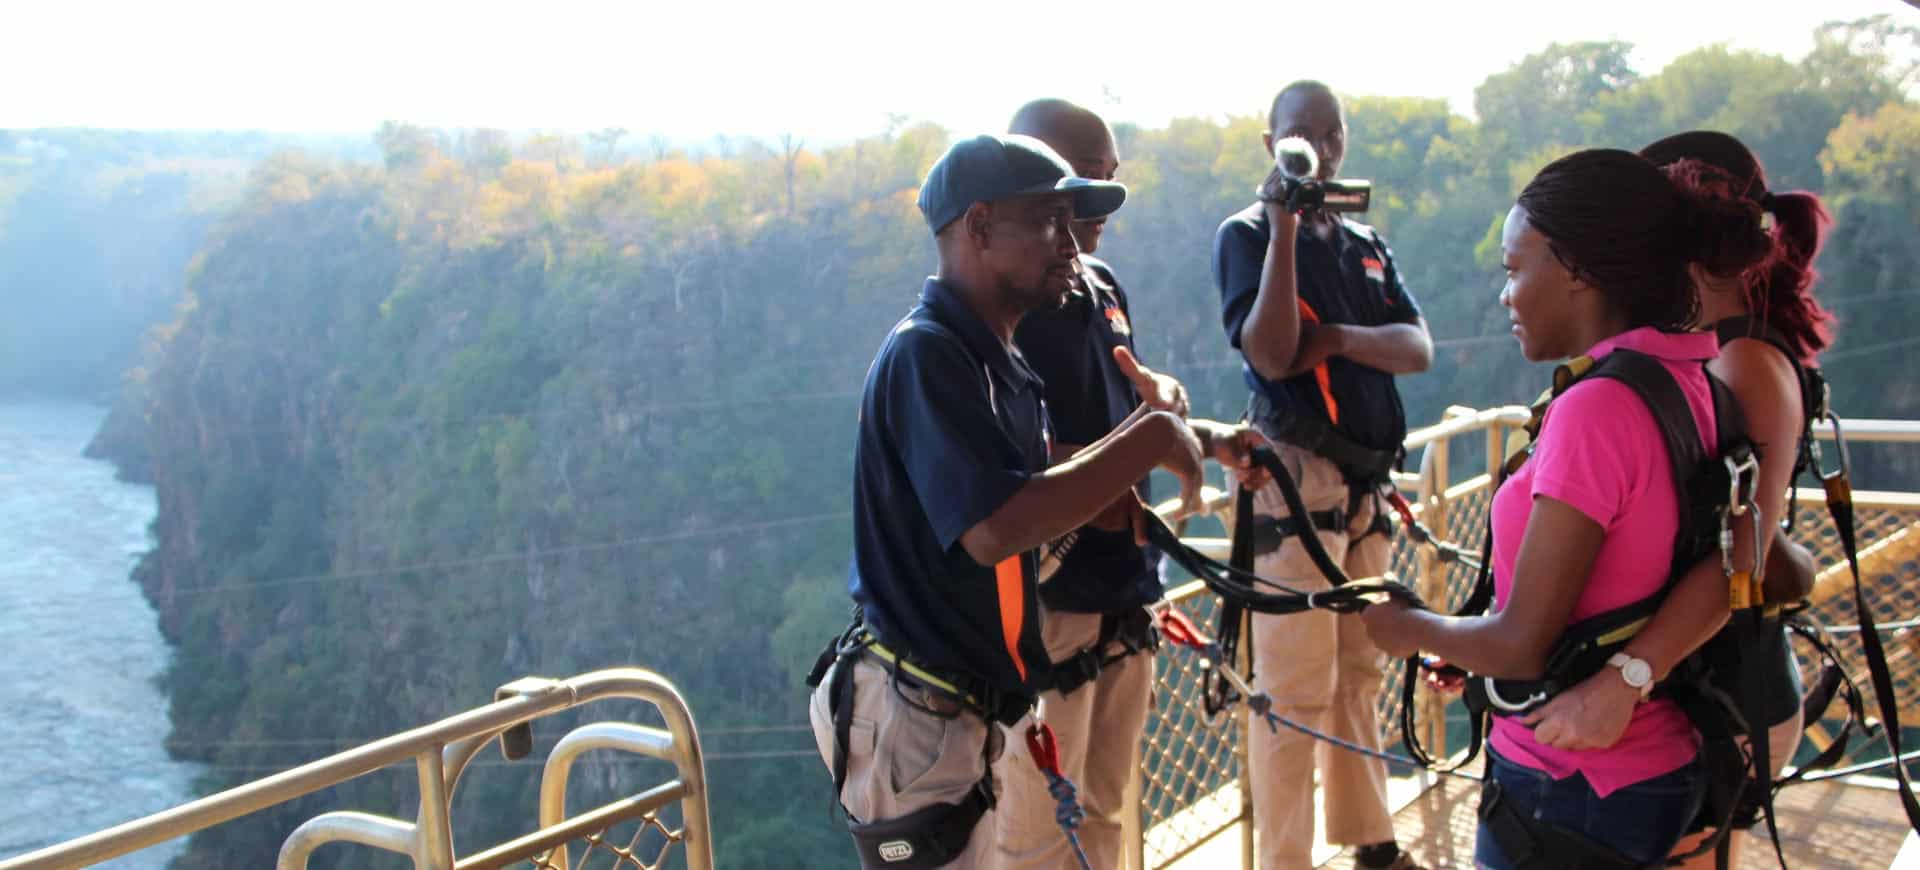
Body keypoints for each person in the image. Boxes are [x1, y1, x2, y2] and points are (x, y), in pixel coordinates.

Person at [1358, 147, 1777, 868]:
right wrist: (1480, 648)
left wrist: (1404, 627)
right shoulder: (1690, 379)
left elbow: (1522, 640)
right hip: (1652, 761)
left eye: (1514, 268)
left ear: (1578, 269)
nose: (1505, 295)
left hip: (1570, 779)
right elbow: (1722, 556)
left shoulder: (1597, 409)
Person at [805, 132, 1209, 870]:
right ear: (981, 227)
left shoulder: (998, 360)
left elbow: (1035, 495)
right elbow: (994, 525)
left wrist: (1156, 443)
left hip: (964, 706)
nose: (1072, 244)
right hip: (916, 713)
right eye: (1049, 222)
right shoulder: (929, 354)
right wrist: (1150, 438)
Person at [1516, 130, 1835, 868]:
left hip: (1723, 693)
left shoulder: (1739, 361)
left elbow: (1745, 553)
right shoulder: (1698, 352)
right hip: (1693, 687)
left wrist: (1623, 682)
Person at [994, 98, 1259, 870]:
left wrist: (1203, 437)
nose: (1104, 200)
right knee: (1040, 833)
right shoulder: (1004, 306)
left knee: (1106, 814)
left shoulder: (1101, 285)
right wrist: (1119, 469)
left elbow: (1132, 424)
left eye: (1110, 179)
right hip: (1051, 606)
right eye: (1089, 179)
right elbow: (1005, 464)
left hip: (1125, 593)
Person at [1212, 79, 1432, 870]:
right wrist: (1281, 230)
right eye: (1301, 135)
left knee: (1359, 673)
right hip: (1297, 488)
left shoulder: (1363, 243)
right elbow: (1272, 352)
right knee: (1293, 692)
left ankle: (1372, 841)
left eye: (1331, 133)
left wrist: (1333, 337)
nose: (1320, 149)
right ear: (1269, 144)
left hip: (1366, 488)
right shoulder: (1245, 236)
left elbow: (1417, 347)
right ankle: (1285, 862)